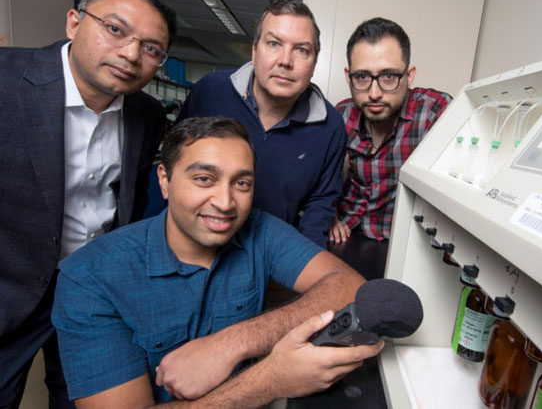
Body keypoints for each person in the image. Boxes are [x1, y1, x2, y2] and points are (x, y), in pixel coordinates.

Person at [52, 117, 383, 407]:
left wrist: (231, 344)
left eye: (241, 183)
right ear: (164, 181)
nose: (225, 203)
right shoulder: (88, 277)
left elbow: (351, 286)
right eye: (204, 179)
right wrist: (271, 379)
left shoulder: (261, 230)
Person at [0, 0, 176, 408]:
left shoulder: (147, 114)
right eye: (115, 30)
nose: (131, 54)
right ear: (75, 23)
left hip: (92, 291)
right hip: (10, 291)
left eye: (151, 49)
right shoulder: (7, 81)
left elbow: (127, 203)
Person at [177, 0, 346, 249]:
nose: (285, 60)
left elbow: (319, 206)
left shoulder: (331, 125)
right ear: (255, 51)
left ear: (314, 63)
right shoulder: (210, 92)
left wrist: (306, 272)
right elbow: (175, 168)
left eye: (301, 50)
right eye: (274, 44)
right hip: (193, 247)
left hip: (269, 259)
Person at [328, 18, 452, 276]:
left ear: (409, 75)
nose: (374, 93)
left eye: (388, 77)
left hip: (405, 245)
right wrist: (329, 216)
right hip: (347, 234)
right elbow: (317, 181)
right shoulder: (341, 115)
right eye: (362, 77)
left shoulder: (434, 112)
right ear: (348, 77)